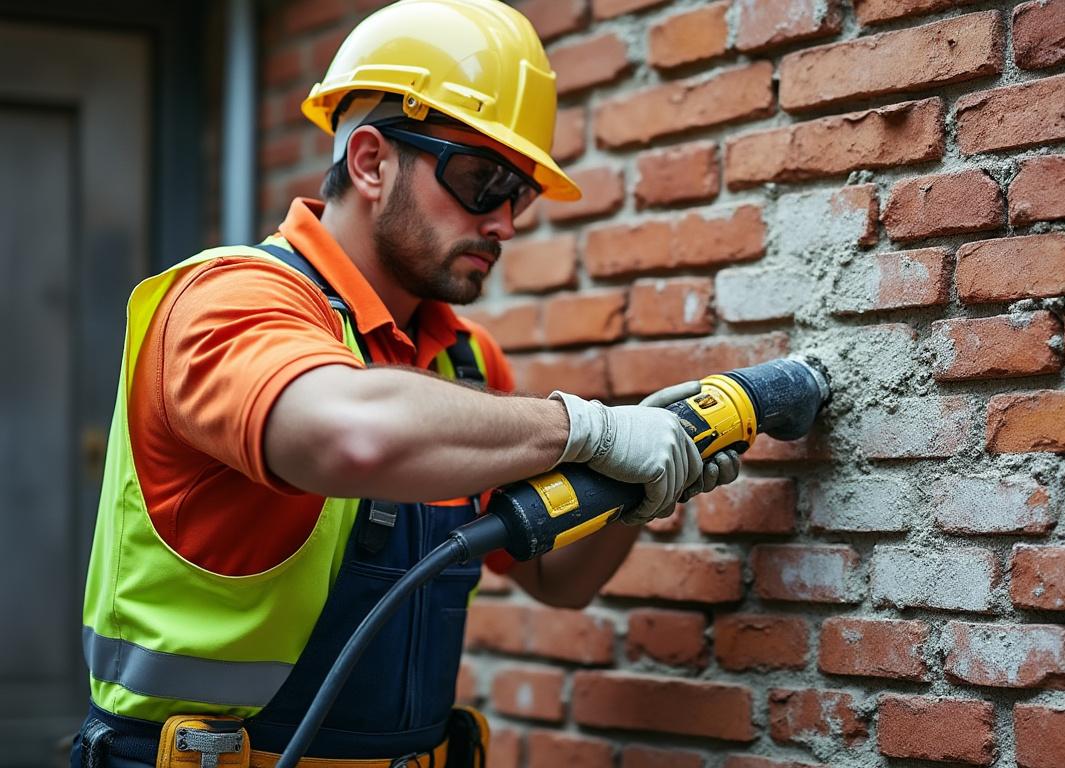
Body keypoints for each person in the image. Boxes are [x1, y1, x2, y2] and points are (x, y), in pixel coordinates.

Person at [71, 1, 740, 766]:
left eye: (518, 194)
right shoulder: (230, 297)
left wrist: (642, 489)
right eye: (483, 179)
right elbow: (350, 434)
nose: (506, 223)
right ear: (369, 161)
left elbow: (558, 580)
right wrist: (589, 429)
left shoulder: (464, 363)